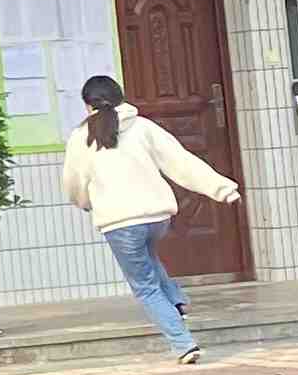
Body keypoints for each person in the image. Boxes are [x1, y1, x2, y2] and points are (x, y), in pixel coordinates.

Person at [59, 72, 242, 360]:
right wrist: (223, 190)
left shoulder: (81, 138)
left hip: (119, 223)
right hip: (157, 218)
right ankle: (175, 301)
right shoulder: (143, 127)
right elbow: (181, 161)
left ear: (87, 105)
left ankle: (184, 344)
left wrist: (84, 203)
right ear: (121, 98)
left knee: (144, 287)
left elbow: (74, 183)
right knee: (147, 258)